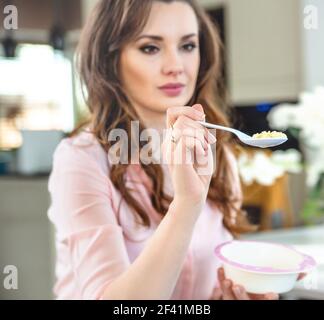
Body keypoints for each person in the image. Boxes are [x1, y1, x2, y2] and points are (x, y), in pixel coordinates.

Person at [47, 0, 279, 300]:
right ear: (110, 59)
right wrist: (187, 204)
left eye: (187, 46)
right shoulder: (81, 160)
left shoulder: (218, 154)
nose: (176, 66)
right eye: (150, 48)